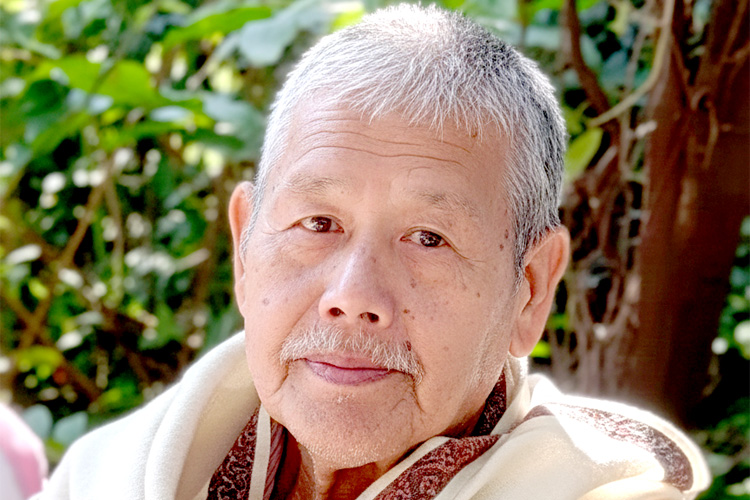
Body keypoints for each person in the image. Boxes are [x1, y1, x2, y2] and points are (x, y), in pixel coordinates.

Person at [36, 5, 710, 499]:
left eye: (429, 239)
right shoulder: (114, 472)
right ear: (245, 247)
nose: (353, 296)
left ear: (529, 289)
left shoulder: (593, 489)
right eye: (318, 222)